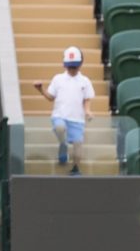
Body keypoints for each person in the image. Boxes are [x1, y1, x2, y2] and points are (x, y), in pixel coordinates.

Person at [33, 46, 95, 176]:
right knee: (60, 128)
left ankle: (76, 168)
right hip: (60, 114)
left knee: (78, 146)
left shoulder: (85, 81)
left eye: (75, 66)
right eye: (70, 66)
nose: (72, 69)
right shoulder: (58, 79)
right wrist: (41, 89)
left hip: (77, 119)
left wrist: (88, 111)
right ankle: (63, 145)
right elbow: (50, 97)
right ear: (65, 65)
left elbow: (87, 99)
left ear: (80, 65)